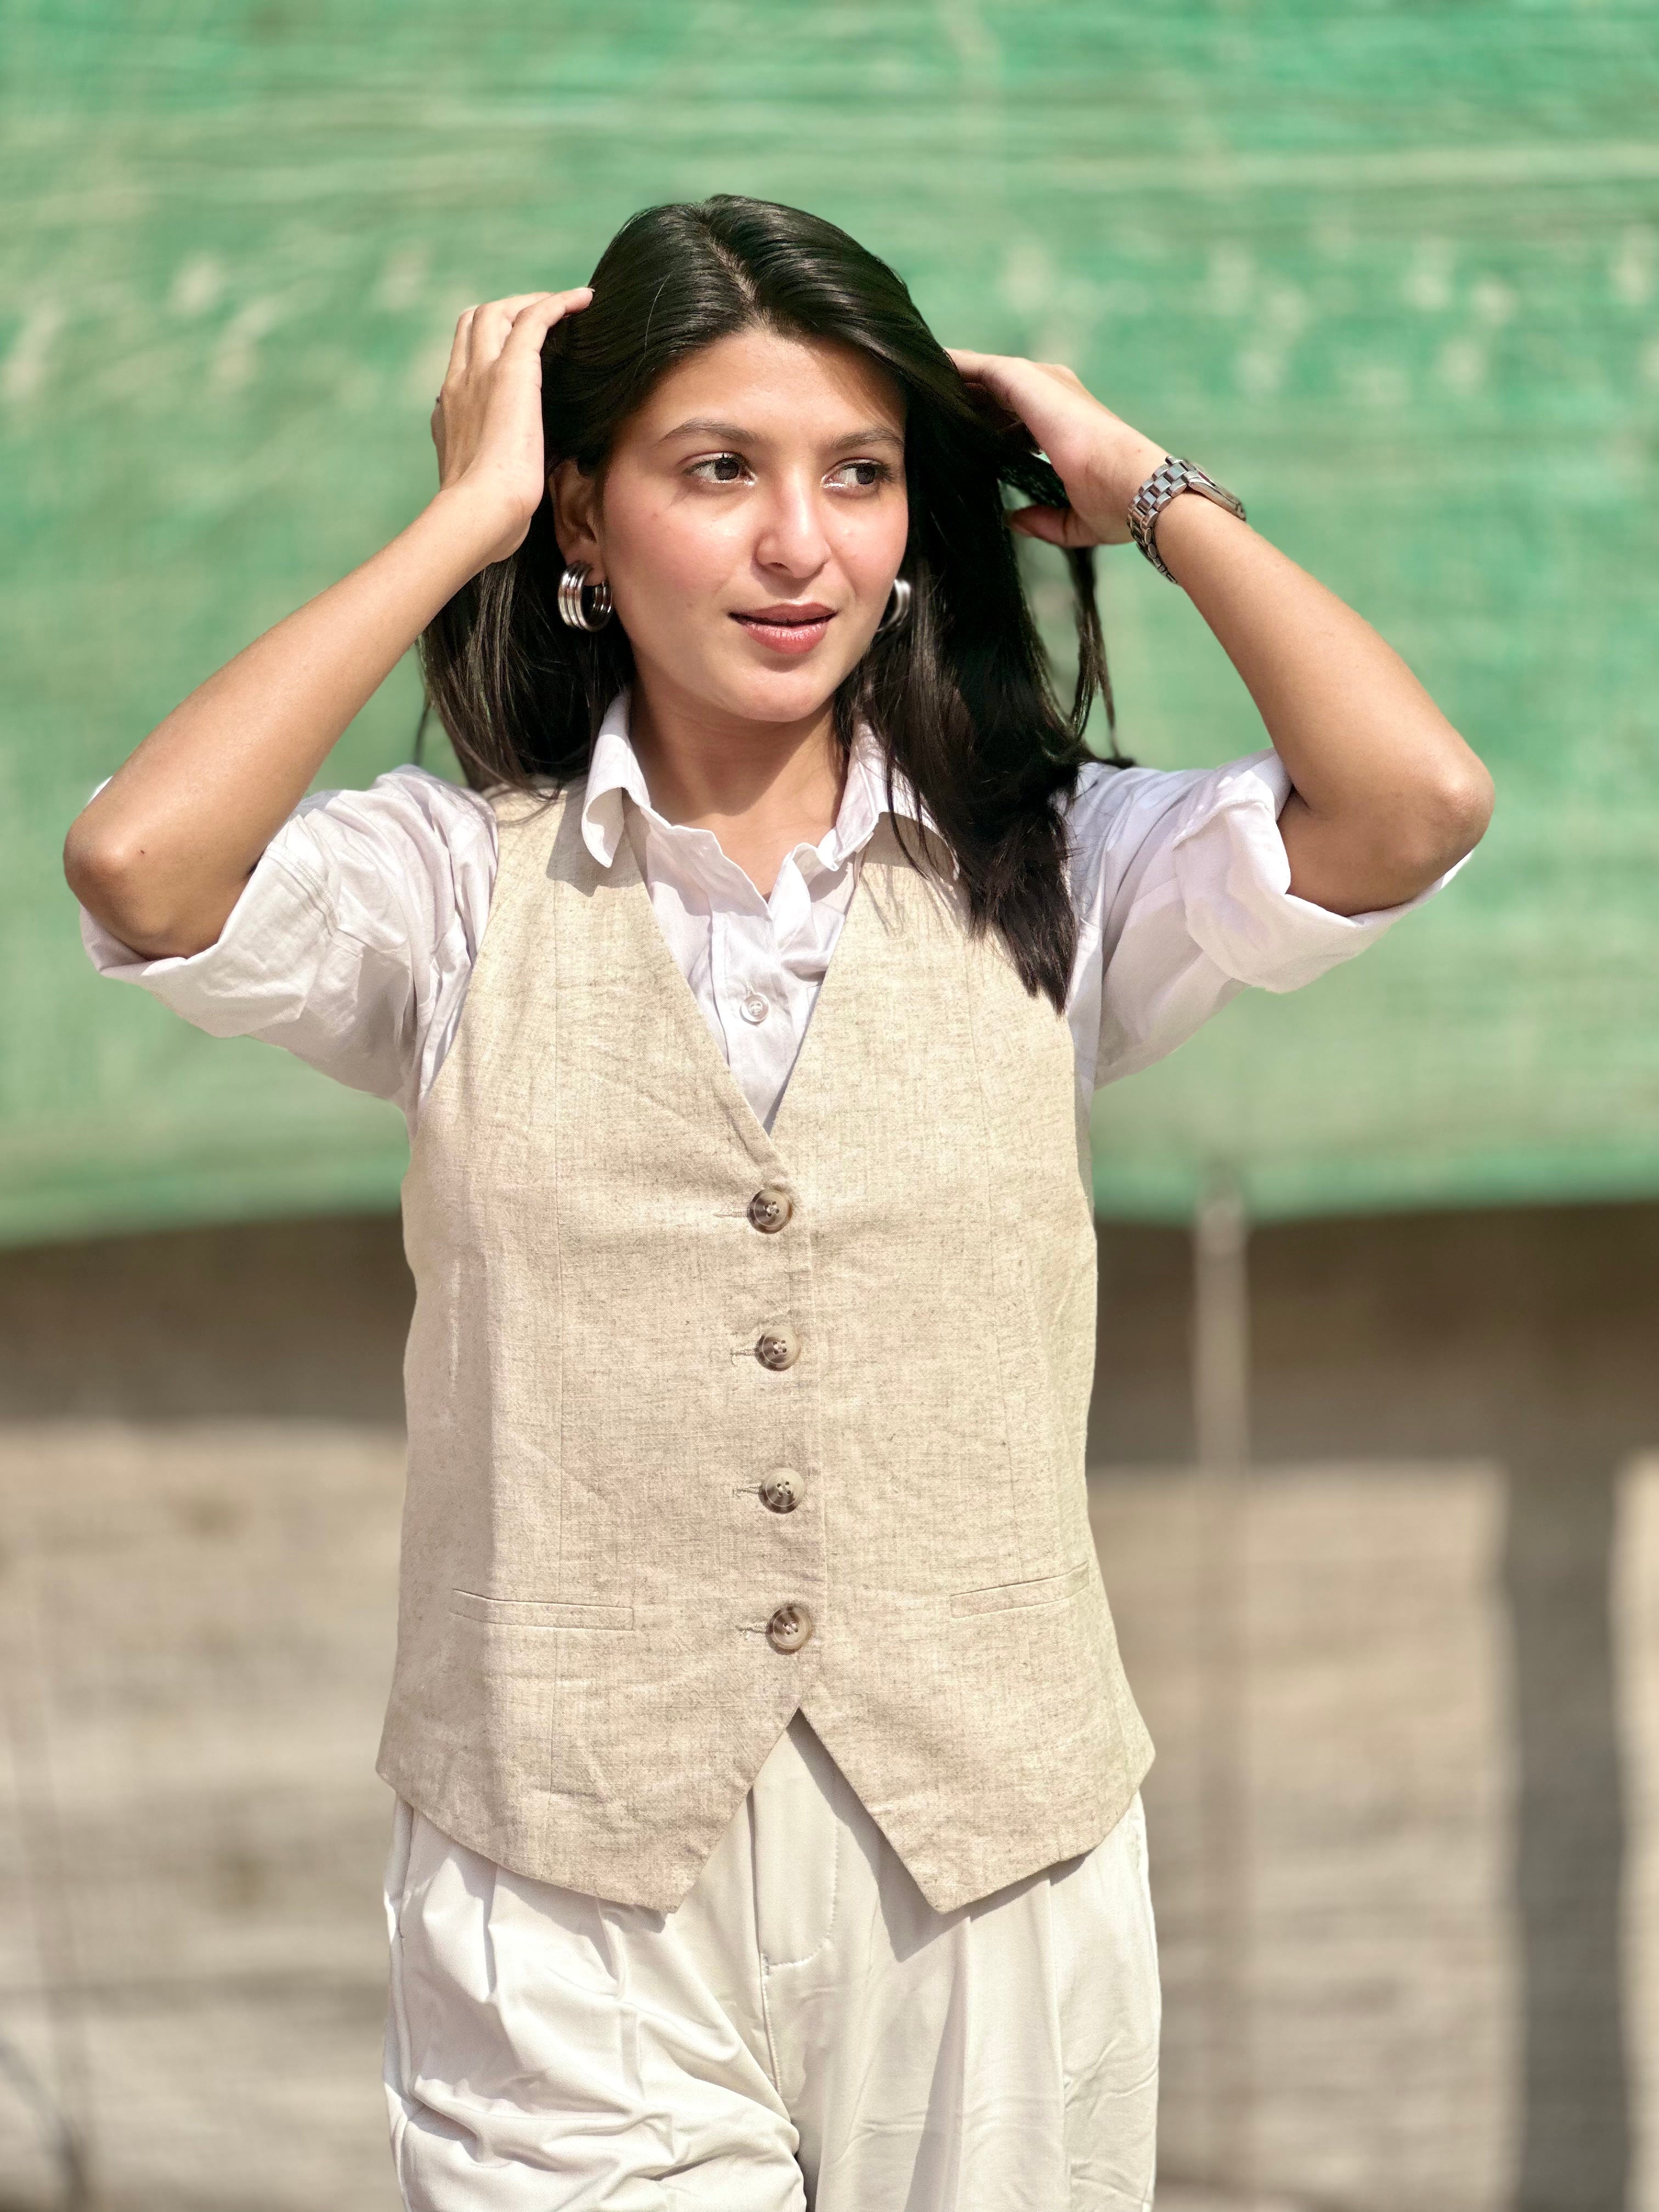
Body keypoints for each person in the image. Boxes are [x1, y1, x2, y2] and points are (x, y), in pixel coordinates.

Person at [64, 194, 1493, 2211]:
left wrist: (1143, 484)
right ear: (583, 520)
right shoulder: (454, 884)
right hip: (563, 1892)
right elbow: (141, 866)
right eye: (714, 470)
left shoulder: (1052, 861)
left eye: (862, 473)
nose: (799, 544)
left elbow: (1414, 803)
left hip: (991, 1862)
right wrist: (458, 515)